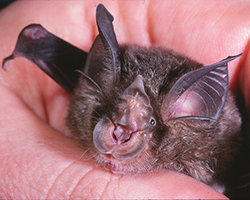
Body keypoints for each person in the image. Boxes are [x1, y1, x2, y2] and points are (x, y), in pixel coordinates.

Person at [0, 1, 249, 199]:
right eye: (114, 110)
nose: (121, 131)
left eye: (150, 122)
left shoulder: (208, 146)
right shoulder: (92, 100)